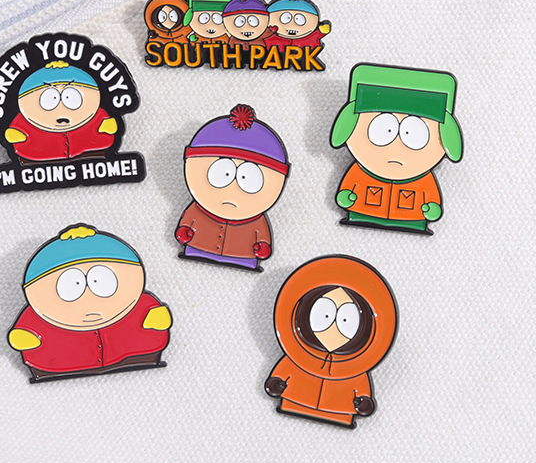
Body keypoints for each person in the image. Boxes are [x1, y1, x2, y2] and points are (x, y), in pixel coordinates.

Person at [8, 225, 172, 381]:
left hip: (137, 354)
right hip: (59, 365)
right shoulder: (36, 315)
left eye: (100, 283)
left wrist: (156, 317)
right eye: (72, 286)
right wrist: (25, 337)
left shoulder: (140, 302)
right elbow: (23, 332)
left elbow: (154, 314)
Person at [265, 255, 397, 428]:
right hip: (294, 402)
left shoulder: (354, 370)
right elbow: (283, 373)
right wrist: (277, 383)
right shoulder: (298, 357)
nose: (332, 328)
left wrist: (363, 401)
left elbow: (361, 390)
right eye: (325, 315)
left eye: (345, 320)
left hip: (338, 413)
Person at [330, 63, 463, 233]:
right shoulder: (360, 171)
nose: (395, 148)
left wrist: (431, 208)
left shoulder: (423, 179)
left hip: (411, 219)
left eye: (414, 135)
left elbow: (431, 199)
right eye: (383, 131)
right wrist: (346, 196)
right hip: (362, 211)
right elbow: (348, 188)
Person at [176, 104, 289, 270]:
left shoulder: (256, 220)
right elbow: (187, 223)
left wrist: (262, 247)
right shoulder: (198, 209)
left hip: (242, 256)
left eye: (248, 179)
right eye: (222, 174)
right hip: (198, 248)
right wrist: (184, 231)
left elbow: (262, 237)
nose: (231, 191)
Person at [3, 61, 117, 163]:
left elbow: (107, 124)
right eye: (49, 100)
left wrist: (107, 125)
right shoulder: (24, 120)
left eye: (71, 98)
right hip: (38, 160)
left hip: (93, 154)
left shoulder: (96, 114)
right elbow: (14, 132)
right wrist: (17, 134)